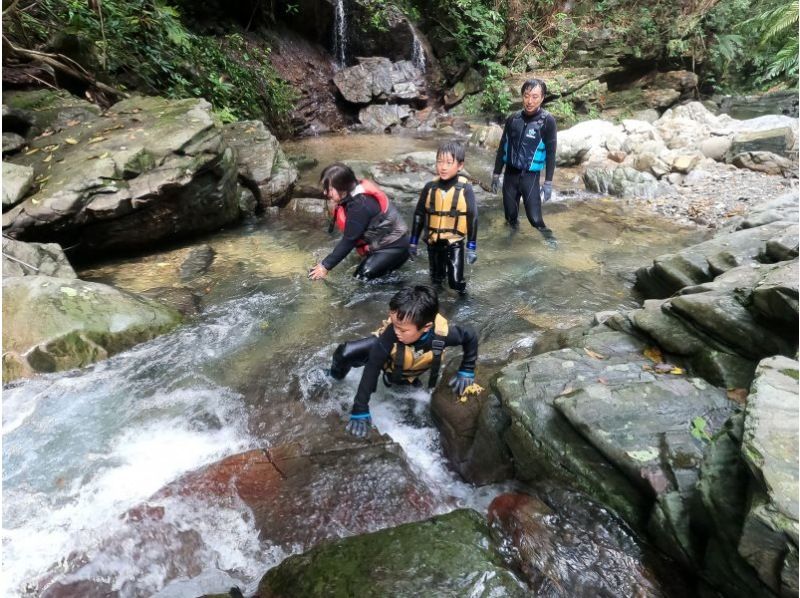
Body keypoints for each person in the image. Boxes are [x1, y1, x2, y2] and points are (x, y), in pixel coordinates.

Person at [330, 285, 479, 438]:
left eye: (402, 330)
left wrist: (467, 369)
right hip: (387, 359)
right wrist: (360, 408)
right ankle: (332, 376)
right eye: (394, 325)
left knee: (412, 413)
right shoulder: (390, 335)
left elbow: (470, 335)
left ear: (426, 327)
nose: (396, 333)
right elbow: (372, 368)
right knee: (345, 352)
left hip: (406, 374)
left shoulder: (443, 336)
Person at [308, 163, 410, 281]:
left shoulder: (360, 205)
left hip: (394, 247)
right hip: (385, 242)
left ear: (343, 187)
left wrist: (324, 266)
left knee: (361, 277)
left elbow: (349, 240)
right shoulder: (351, 194)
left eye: (329, 189)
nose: (325, 193)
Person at [491, 78, 558, 247]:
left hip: (530, 177)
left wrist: (548, 182)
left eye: (535, 97)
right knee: (510, 217)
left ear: (542, 98)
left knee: (535, 219)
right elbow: (502, 147)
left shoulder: (547, 121)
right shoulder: (513, 119)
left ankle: (551, 241)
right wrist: (496, 173)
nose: (530, 101)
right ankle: (512, 243)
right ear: (522, 96)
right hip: (510, 176)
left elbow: (551, 154)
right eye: (527, 96)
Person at [409, 141, 479, 296]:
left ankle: (463, 300)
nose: (443, 167)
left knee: (455, 282)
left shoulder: (465, 188)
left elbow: (472, 217)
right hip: (434, 243)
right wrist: (413, 242)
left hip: (454, 243)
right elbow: (419, 215)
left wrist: (471, 247)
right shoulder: (430, 187)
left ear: (460, 166)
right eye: (439, 162)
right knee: (436, 280)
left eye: (449, 162)